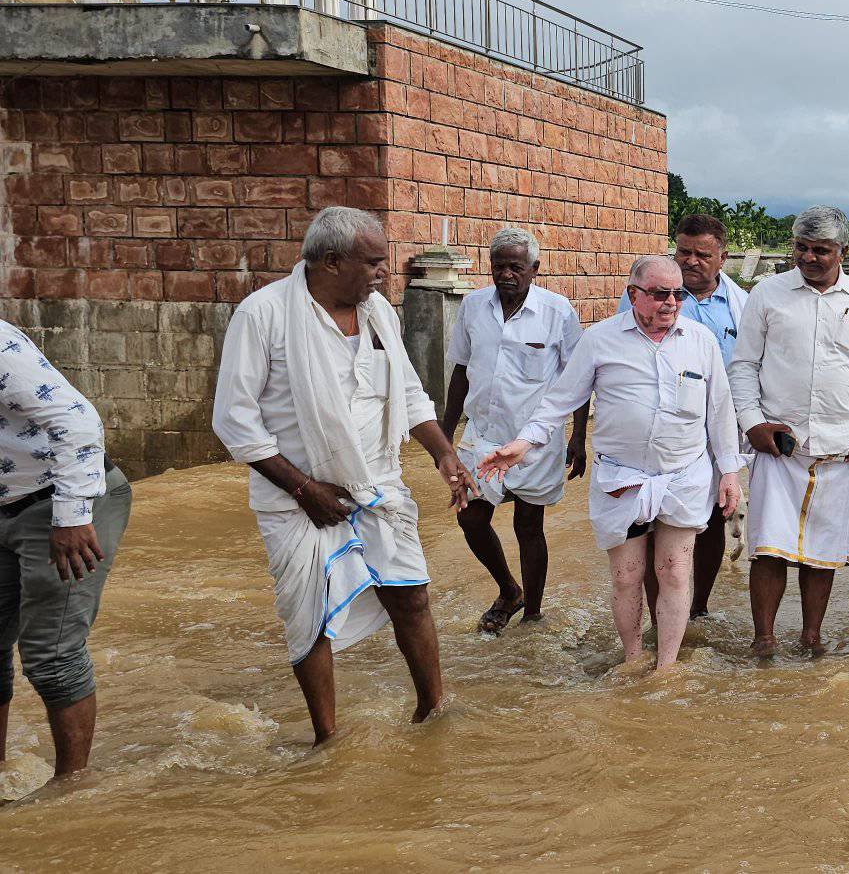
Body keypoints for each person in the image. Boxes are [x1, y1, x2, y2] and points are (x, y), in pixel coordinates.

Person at [212, 206, 469, 745]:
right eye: (373, 262)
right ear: (331, 262)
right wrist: (304, 489)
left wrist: (444, 454)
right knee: (309, 618)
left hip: (379, 485)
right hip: (295, 496)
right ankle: (326, 739)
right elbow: (234, 421)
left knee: (413, 595)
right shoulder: (265, 315)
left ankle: (433, 712)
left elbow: (409, 394)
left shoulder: (380, 315)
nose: (384, 273)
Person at [478, 257, 743, 673]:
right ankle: (634, 658)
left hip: (683, 474)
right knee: (626, 575)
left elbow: (720, 411)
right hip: (623, 477)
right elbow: (559, 400)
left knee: (674, 573)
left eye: (677, 294)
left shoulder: (701, 340)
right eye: (660, 294)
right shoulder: (601, 339)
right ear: (634, 294)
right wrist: (523, 443)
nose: (671, 302)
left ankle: (668, 667)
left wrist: (729, 471)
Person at [731, 206, 849, 657]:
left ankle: (811, 638)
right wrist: (753, 424)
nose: (809, 257)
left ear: (842, 251)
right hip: (777, 446)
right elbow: (743, 366)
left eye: (821, 250)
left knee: (822, 551)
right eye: (801, 248)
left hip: (843, 448)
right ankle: (763, 640)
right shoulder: (767, 294)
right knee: (768, 547)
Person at [0, 321, 130, 782]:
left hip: (66, 501)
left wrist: (72, 517)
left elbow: (77, 421)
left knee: (51, 655)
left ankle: (71, 789)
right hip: (7, 500)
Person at [438, 228, 586, 634]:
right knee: (470, 517)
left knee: (528, 525)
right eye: (498, 266)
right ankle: (509, 590)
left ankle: (533, 613)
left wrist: (578, 436)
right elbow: (461, 372)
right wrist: (443, 438)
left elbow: (577, 378)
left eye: (516, 267)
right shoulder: (472, 306)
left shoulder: (557, 311)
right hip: (482, 434)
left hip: (535, 437)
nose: (506, 274)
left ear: (534, 269)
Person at [669, 214, 751, 620]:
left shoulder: (743, 306)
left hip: (725, 425)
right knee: (665, 517)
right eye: (684, 251)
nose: (691, 261)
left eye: (703, 254)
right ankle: (668, 605)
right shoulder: (653, 295)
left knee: (717, 513)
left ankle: (698, 607)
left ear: (722, 258)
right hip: (669, 425)